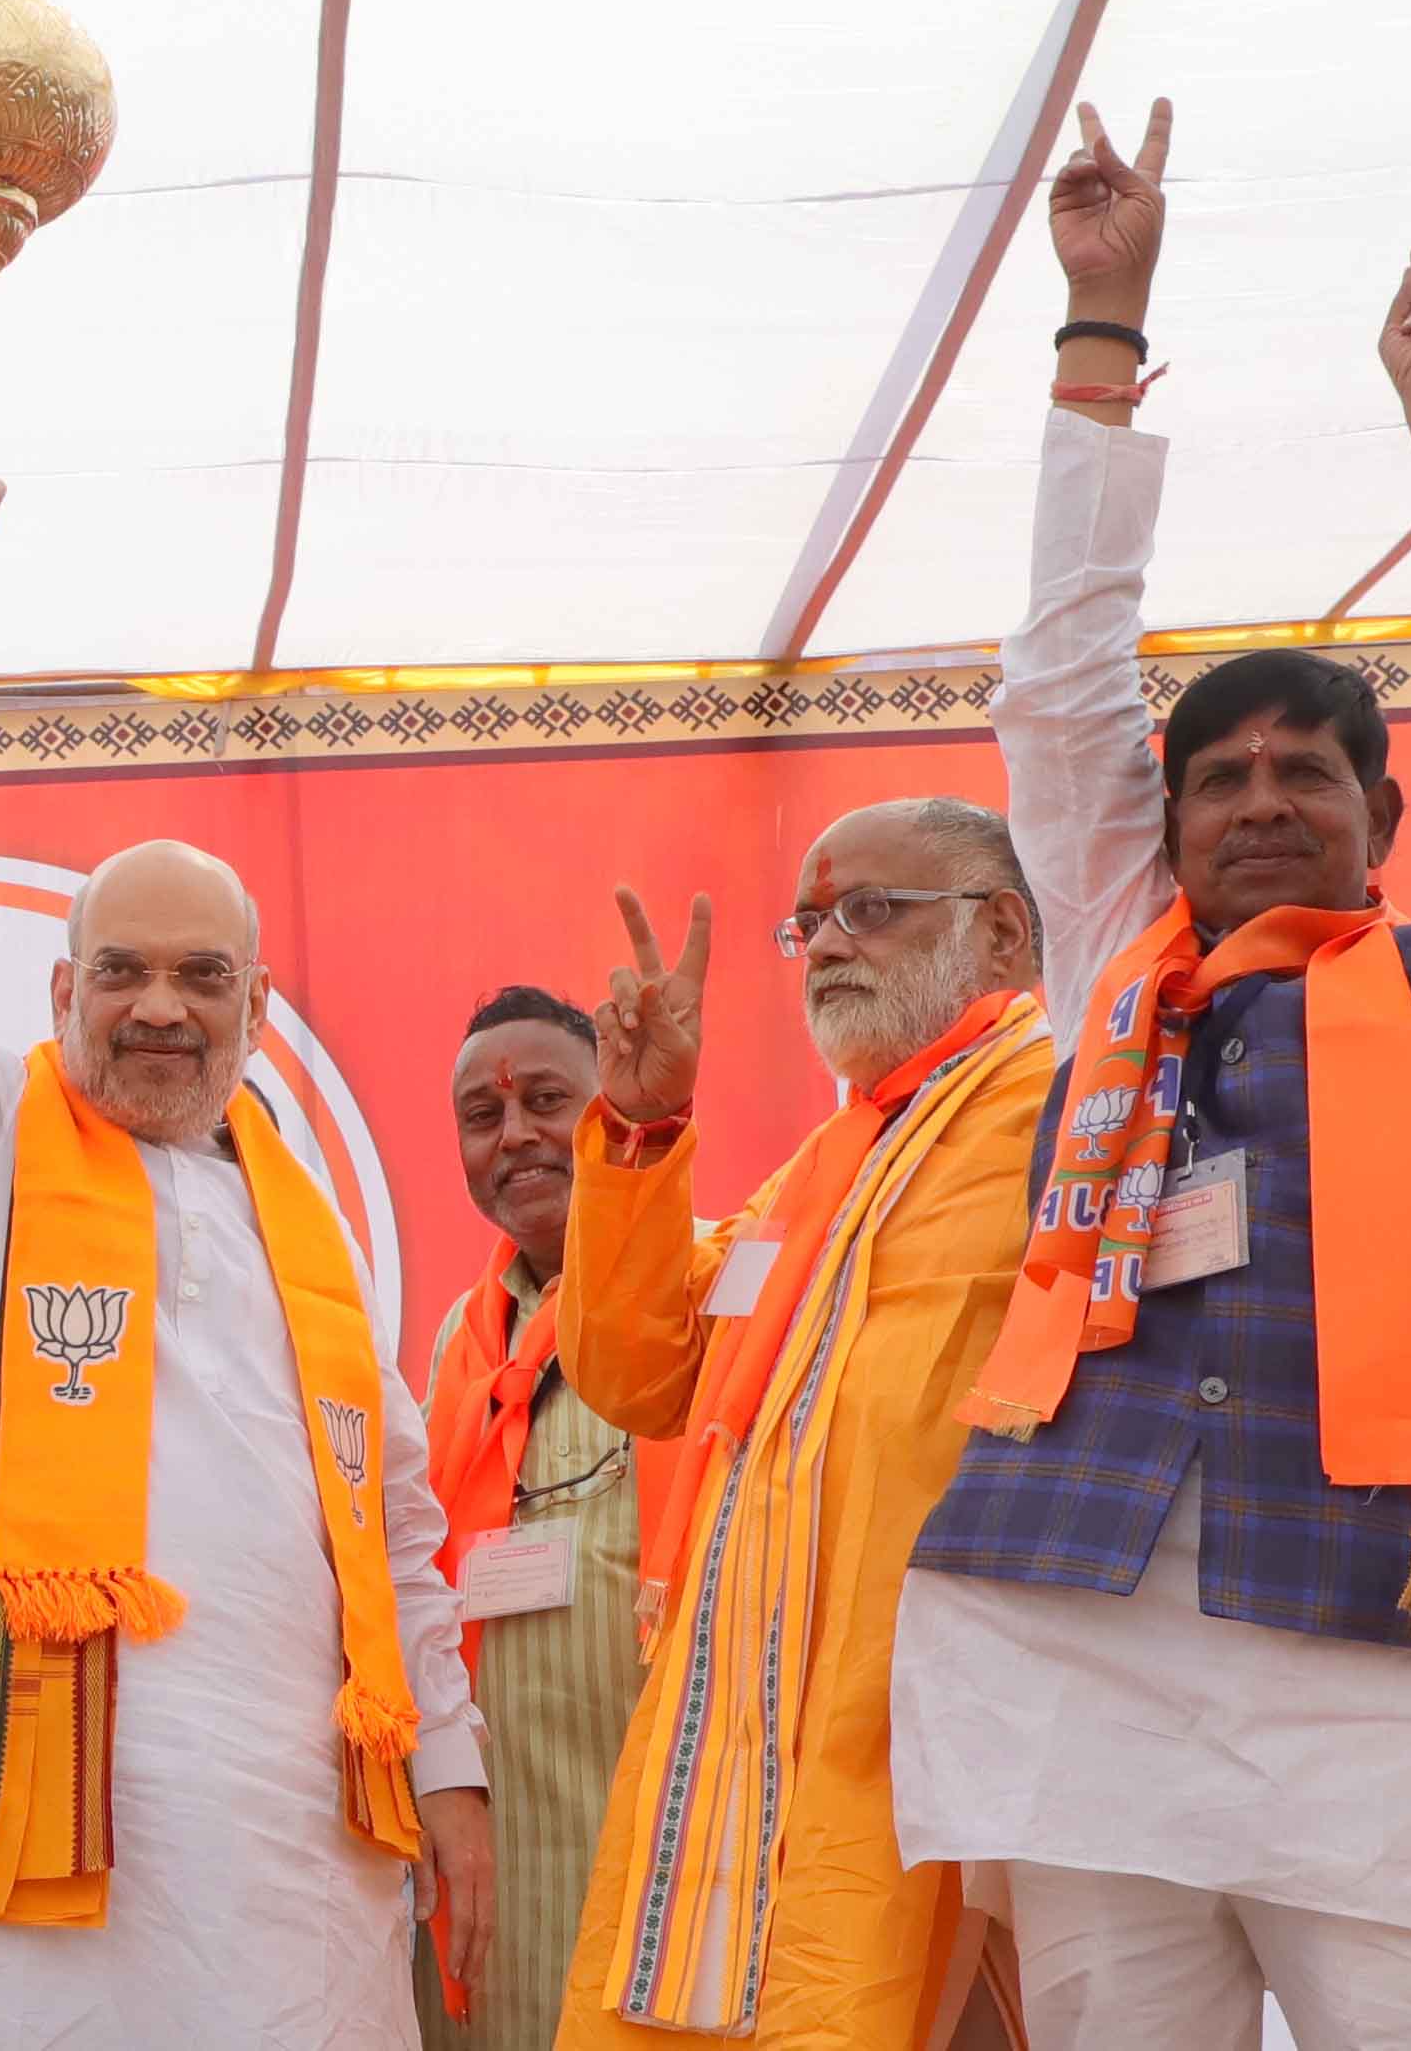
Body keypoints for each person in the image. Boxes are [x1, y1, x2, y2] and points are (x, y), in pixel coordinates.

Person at [893, 98, 1411, 2050]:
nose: (1260, 800)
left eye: (1307, 772)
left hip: (1390, 1658)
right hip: (1081, 1651)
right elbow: (1056, 688)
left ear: (1381, 817)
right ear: (1169, 822)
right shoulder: (1122, 965)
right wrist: (1096, 331)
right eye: (1219, 775)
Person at [0, 441, 493, 2051]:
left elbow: (394, 1531)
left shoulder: (303, 1232)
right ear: (58, 999)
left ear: (257, 1015)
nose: (161, 1006)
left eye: (203, 977)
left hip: (282, 1847)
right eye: (119, 970)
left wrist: (452, 1776)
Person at [549, 796, 1049, 2051]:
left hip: (952, 1735)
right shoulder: (823, 1168)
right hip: (753, 1732)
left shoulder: (1065, 1111)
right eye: (811, 921)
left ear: (1001, 933)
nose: (827, 945)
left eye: (871, 912)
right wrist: (644, 1131)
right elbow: (640, 1371)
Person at [415, 986, 657, 2051]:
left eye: (547, 1098)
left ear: (615, 1104)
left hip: (648, 1836)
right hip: (491, 1853)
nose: (515, 1134)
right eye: (483, 1115)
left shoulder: (698, 1292)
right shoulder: (458, 1349)